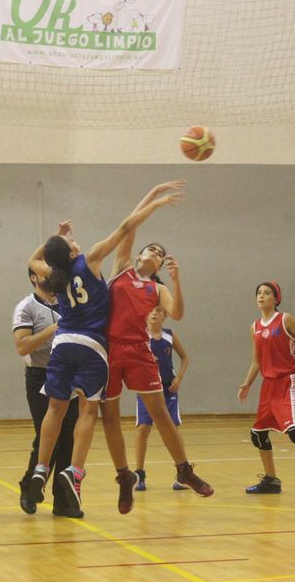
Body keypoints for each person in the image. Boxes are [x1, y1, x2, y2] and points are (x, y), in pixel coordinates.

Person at [25, 182, 186, 517]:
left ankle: (41, 469)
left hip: (62, 343)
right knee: (87, 412)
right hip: (92, 346)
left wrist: (56, 238)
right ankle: (74, 471)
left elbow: (33, 259)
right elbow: (127, 226)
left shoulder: (53, 273)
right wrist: (155, 203)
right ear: (71, 253)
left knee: (55, 409)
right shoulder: (93, 260)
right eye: (70, 243)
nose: (74, 242)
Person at [237, 282, 295, 503]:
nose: (261, 296)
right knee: (258, 434)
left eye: (267, 293)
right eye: (258, 293)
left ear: (276, 298)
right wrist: (246, 384)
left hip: (289, 381)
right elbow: (256, 361)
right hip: (268, 385)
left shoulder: (285, 319)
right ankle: (271, 480)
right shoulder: (254, 327)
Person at [12, 268, 81, 517]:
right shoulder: (26, 307)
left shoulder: (67, 302)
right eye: (44, 272)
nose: (51, 276)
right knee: (46, 435)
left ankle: (62, 501)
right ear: (33, 277)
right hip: (40, 374)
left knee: (69, 438)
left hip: (69, 374)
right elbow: (22, 346)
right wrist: (52, 330)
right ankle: (29, 488)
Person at [134, 305, 190, 492]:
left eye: (159, 311)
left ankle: (182, 473)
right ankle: (139, 474)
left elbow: (185, 358)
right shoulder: (140, 336)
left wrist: (179, 378)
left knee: (173, 429)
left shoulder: (169, 335)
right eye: (151, 310)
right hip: (147, 389)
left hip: (168, 389)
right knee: (143, 428)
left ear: (165, 315)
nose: (154, 313)